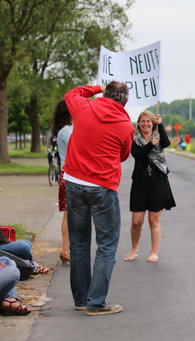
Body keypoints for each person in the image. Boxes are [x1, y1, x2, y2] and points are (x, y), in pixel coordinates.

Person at [63, 81, 134, 316]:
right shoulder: (125, 125)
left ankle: (82, 299)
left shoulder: (83, 108)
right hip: (103, 186)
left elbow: (71, 93)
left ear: (105, 94)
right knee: (106, 245)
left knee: (80, 243)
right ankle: (96, 302)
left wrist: (95, 88)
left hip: (74, 182)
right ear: (124, 101)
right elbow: (124, 155)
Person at [124, 110, 175, 263]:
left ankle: (154, 252)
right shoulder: (135, 140)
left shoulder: (158, 136)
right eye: (143, 121)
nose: (146, 124)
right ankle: (134, 248)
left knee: (154, 220)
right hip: (140, 183)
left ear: (152, 123)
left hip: (157, 182)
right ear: (139, 124)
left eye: (148, 121)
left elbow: (166, 143)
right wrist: (149, 145)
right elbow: (138, 156)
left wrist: (161, 124)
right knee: (136, 221)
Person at [51, 99, 73, 265]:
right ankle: (66, 249)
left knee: (68, 214)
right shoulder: (69, 130)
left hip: (64, 174)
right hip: (73, 174)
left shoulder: (61, 130)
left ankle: (66, 249)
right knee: (73, 214)